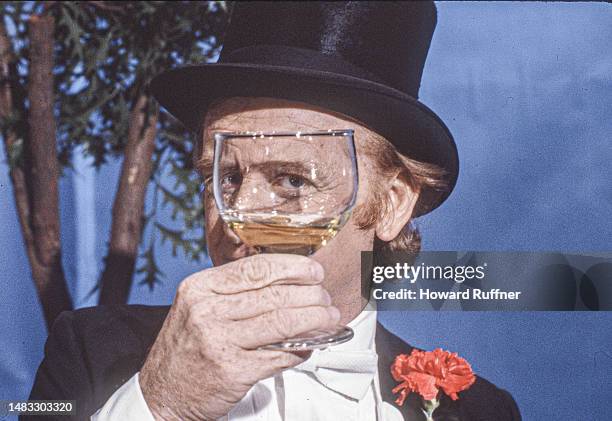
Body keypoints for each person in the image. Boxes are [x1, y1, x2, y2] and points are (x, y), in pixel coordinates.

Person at [26, 2, 521, 420]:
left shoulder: (479, 409)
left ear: (391, 203)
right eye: (226, 177)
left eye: (291, 180)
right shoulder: (88, 351)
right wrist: (164, 403)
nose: (239, 213)